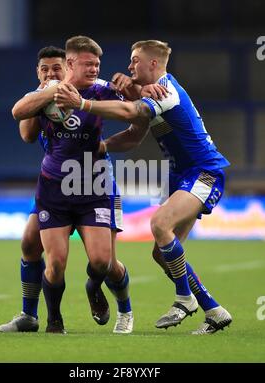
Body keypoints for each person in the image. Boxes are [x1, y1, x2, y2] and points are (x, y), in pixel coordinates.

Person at [54, 39, 233, 335]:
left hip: (204, 172)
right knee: (162, 253)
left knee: (159, 223)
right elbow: (132, 135)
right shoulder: (154, 92)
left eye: (135, 60)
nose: (129, 65)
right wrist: (104, 145)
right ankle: (214, 310)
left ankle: (184, 299)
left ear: (152, 63)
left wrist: (83, 104)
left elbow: (128, 113)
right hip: (182, 177)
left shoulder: (167, 92)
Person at [0, 43, 136, 334]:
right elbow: (26, 133)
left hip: (95, 182)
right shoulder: (39, 96)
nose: (50, 72)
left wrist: (132, 85)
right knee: (34, 248)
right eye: (44, 69)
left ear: (68, 66)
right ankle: (35, 317)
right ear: (37, 71)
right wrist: (47, 93)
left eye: (56, 68)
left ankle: (118, 306)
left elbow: (130, 108)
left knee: (104, 262)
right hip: (55, 185)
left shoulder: (96, 88)